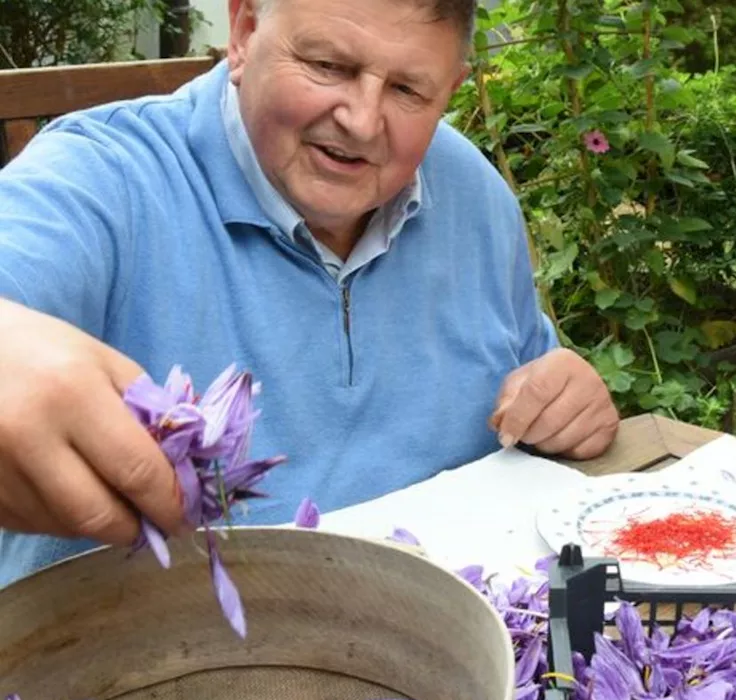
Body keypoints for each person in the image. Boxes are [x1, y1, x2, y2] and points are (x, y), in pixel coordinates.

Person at [0, 0, 619, 586]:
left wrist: (561, 400)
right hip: (124, 659)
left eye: (407, 90)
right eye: (329, 66)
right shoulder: (101, 180)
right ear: (243, 33)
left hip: (443, 636)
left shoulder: (473, 195)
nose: (361, 120)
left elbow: (531, 380)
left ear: (449, 92)